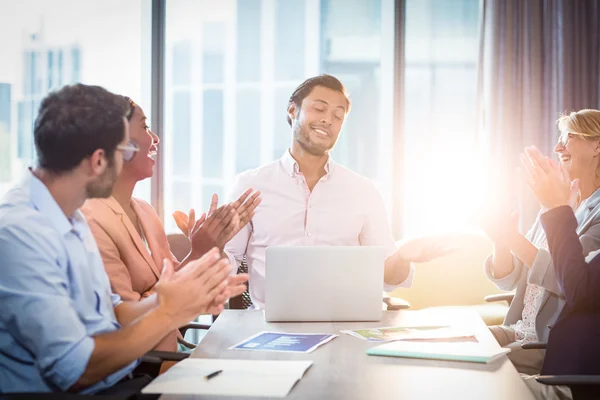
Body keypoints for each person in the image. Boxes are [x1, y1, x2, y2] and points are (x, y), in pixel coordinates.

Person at [0, 84, 248, 395]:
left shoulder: (69, 215)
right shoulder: (20, 234)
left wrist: (180, 297)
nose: (126, 161)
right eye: (125, 151)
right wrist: (170, 311)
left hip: (120, 381)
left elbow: (114, 313)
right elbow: (76, 369)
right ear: (99, 161)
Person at [223, 74, 450, 309]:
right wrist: (206, 245)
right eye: (319, 109)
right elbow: (223, 266)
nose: (327, 120)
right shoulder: (250, 186)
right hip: (267, 327)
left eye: (337, 116)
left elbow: (390, 277)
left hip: (346, 325)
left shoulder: (363, 191)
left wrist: (403, 256)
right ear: (293, 110)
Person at [81, 97, 260, 352]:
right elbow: (126, 322)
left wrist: (207, 247)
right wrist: (198, 254)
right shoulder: (91, 219)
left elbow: (175, 298)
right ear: (118, 143)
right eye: (144, 127)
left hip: (171, 352)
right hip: (142, 366)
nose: (155, 139)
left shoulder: (145, 211)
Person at [481, 109, 600, 375]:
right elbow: (510, 279)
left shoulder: (581, 211)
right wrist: (501, 240)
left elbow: (570, 280)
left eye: (568, 137)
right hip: (518, 330)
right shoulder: (558, 204)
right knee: (458, 337)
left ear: (597, 145)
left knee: (467, 362)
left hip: (545, 346)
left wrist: (513, 237)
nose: (558, 147)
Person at [519, 145, 600, 400]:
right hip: (564, 369)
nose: (558, 147)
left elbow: (577, 287)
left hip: (577, 383)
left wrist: (556, 208)